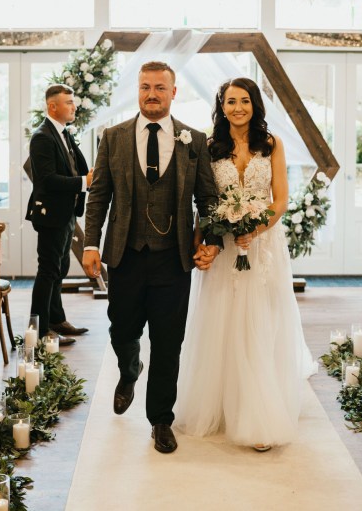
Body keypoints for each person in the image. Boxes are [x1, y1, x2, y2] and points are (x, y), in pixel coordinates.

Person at [82, 61, 222, 454]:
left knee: (167, 341)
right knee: (121, 329)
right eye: (145, 87)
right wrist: (90, 245)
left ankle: (161, 419)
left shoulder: (193, 140)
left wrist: (211, 239)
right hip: (125, 254)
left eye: (160, 87)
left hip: (173, 258)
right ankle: (129, 369)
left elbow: (207, 198)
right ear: (137, 90)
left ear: (174, 92)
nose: (152, 94)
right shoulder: (114, 137)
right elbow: (99, 195)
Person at [174, 77, 317, 451]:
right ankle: (220, 406)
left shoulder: (271, 145)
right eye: (231, 101)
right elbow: (202, 202)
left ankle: (258, 413)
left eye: (245, 100)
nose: (238, 107)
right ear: (221, 106)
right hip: (222, 247)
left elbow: (280, 199)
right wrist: (204, 243)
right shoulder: (208, 146)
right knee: (221, 320)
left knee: (259, 321)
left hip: (262, 246)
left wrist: (254, 229)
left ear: (255, 105)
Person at [26, 84, 92, 346]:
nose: (74, 106)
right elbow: (47, 180)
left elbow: (75, 165)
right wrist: (84, 182)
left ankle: (56, 319)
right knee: (48, 271)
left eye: (73, 101)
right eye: (68, 102)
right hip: (51, 214)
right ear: (52, 106)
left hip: (66, 213)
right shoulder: (42, 136)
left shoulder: (62, 133)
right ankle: (39, 333)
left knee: (60, 268)